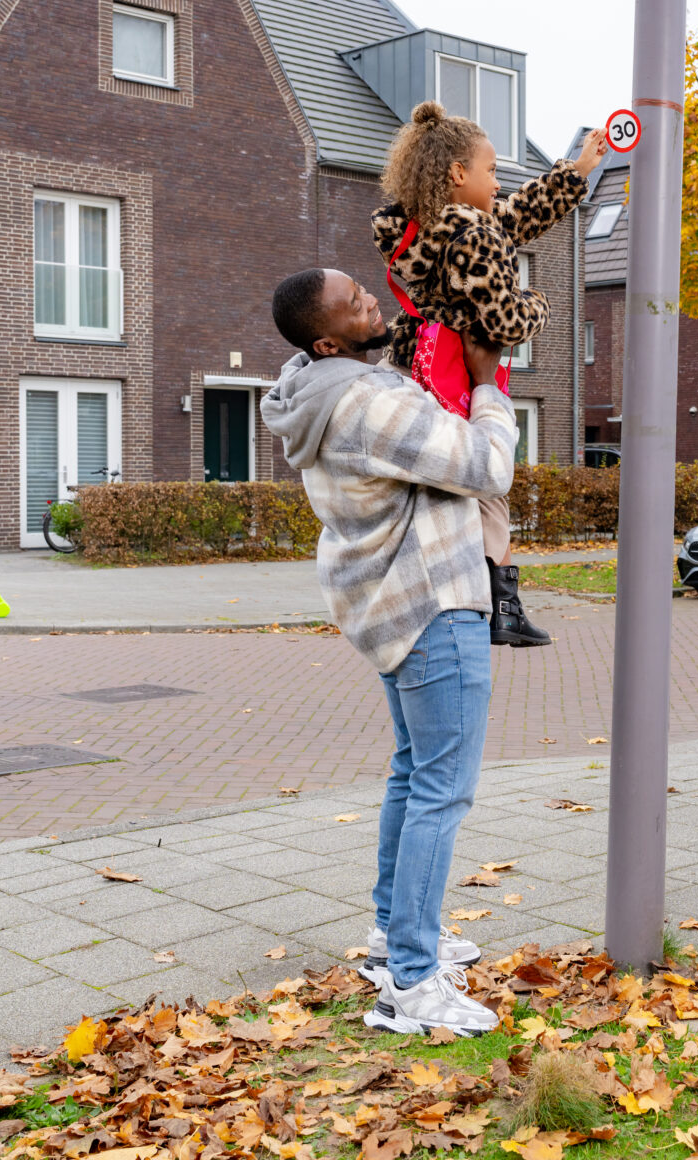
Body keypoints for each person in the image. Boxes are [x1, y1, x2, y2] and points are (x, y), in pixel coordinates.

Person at [258, 267, 514, 1037]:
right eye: (356, 302)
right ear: (329, 338)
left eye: (365, 289)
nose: (374, 299)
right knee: (442, 791)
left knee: (413, 775)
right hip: (433, 602)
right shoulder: (371, 401)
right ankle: (411, 981)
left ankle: (393, 937)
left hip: (389, 608)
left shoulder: (310, 387)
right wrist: (490, 387)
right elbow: (486, 466)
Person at [371, 102, 607, 648]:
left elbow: (517, 215)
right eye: (493, 170)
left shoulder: (417, 232)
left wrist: (576, 172)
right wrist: (542, 303)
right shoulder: (475, 236)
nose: (499, 183)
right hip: (464, 371)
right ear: (458, 174)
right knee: (489, 481)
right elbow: (504, 318)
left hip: (419, 367)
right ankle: (499, 607)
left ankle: (454, 594)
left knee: (443, 486)